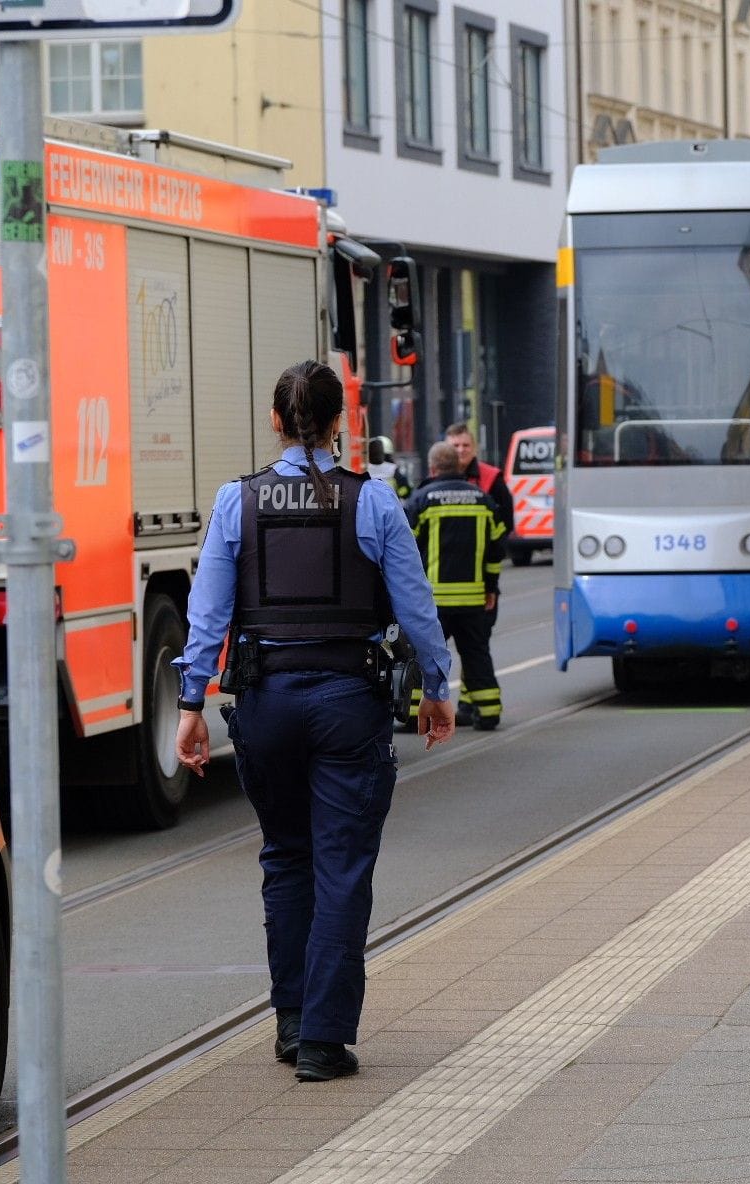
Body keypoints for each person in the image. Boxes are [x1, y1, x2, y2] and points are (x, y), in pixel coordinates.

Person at [172, 360, 457, 1081]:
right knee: (342, 866)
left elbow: (206, 614)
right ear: (341, 423)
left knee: (286, 857)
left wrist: (189, 706)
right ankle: (325, 1041)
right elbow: (416, 606)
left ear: (277, 420)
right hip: (347, 703)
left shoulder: (237, 502)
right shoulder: (375, 502)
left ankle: (292, 1022)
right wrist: (435, 687)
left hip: (264, 703)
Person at [406, 441, 506, 731]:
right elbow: (496, 551)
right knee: (476, 653)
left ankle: (414, 713)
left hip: (433, 602)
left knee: (422, 655)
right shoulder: (484, 500)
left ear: (432, 468)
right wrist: (490, 587)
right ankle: (488, 712)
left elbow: (406, 551)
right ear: (460, 466)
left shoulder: (422, 500)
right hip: (473, 600)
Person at [443, 421, 515, 536]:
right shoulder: (436, 477)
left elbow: (506, 519)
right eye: (455, 446)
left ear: (474, 448)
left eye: (466, 445)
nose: (461, 450)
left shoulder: (491, 477)